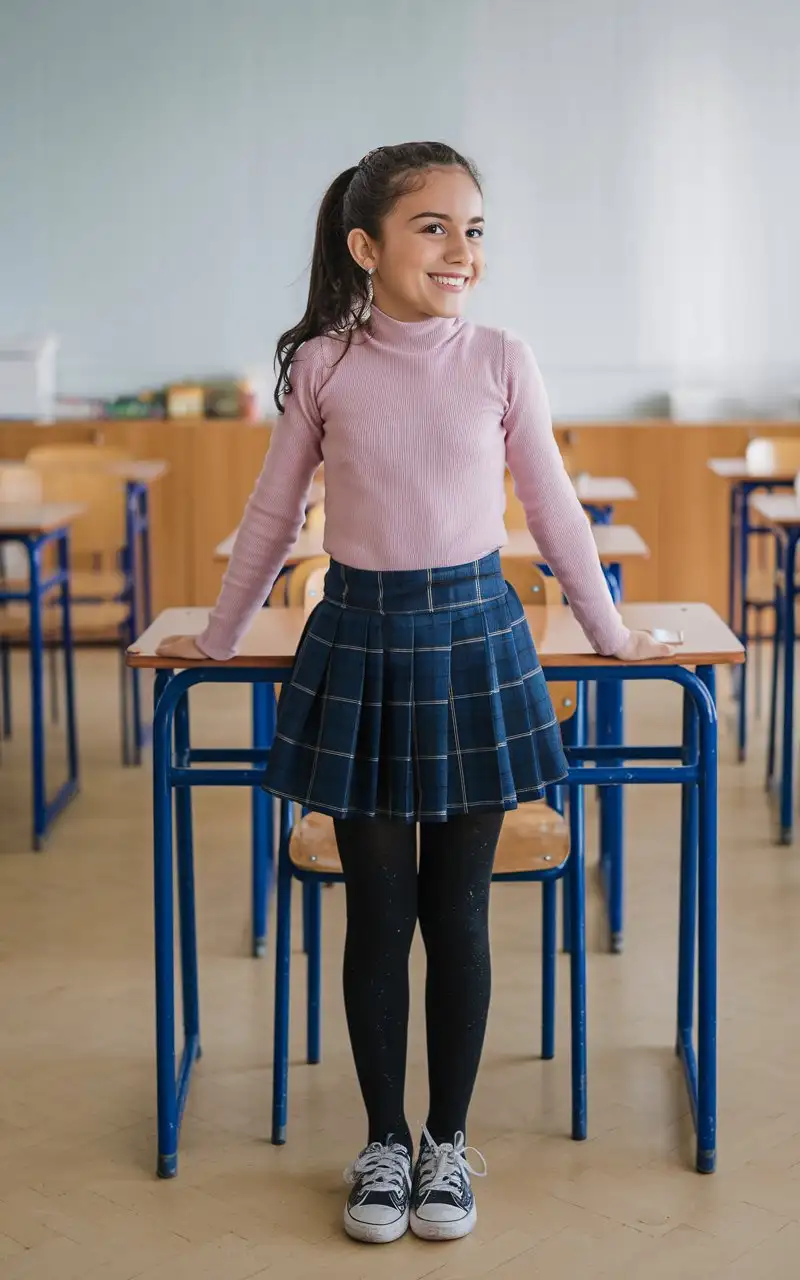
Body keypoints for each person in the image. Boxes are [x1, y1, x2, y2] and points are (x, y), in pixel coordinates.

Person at [156, 141, 671, 1246]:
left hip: (476, 635)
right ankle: (381, 1141)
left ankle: (447, 1140)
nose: (460, 249)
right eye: (433, 226)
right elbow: (270, 516)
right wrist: (217, 635)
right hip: (362, 632)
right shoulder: (324, 365)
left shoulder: (499, 358)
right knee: (378, 912)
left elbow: (553, 509)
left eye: (473, 228)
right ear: (366, 246)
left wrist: (611, 630)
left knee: (460, 909)